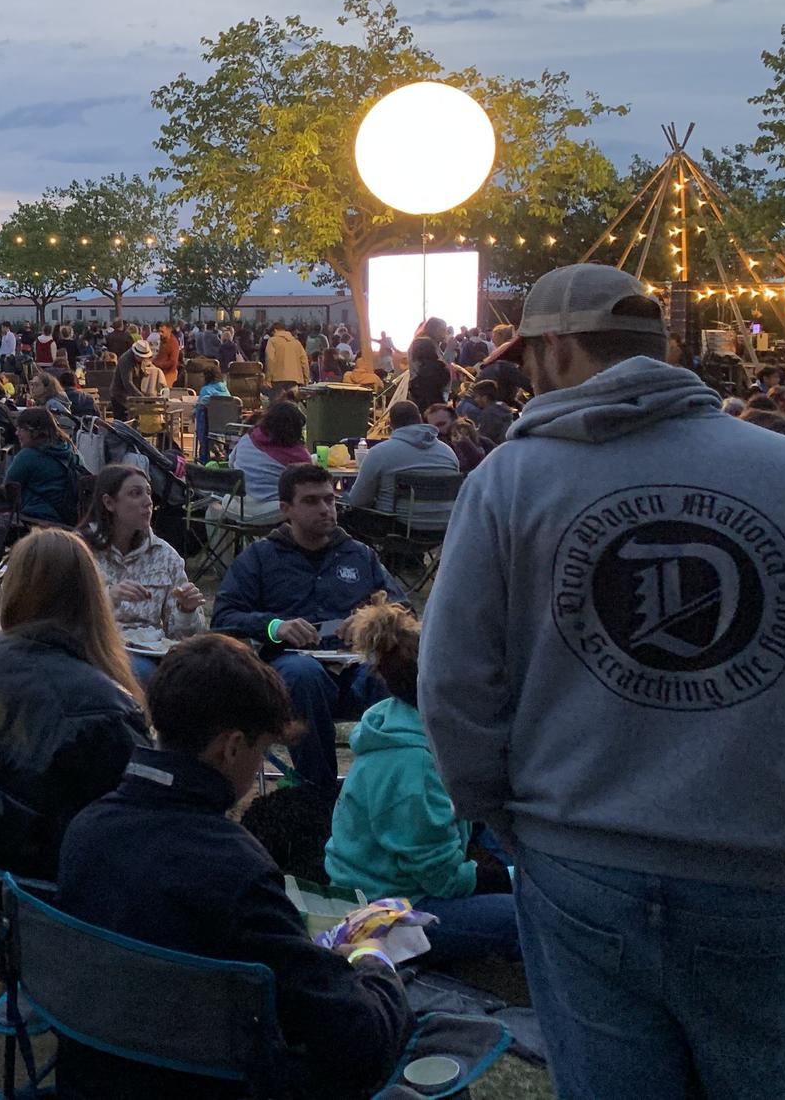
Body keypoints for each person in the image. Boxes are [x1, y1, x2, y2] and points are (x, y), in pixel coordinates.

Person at [423, 263, 785, 1099]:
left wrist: (501, 816)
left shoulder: (510, 481)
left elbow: (455, 685)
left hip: (578, 855)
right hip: (763, 859)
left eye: (529, 355)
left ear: (559, 349)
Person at [58, 634, 411, 1098]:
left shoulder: (85, 830)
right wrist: (374, 962)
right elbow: (355, 1037)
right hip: (210, 1080)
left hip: (95, 1074)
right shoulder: (233, 868)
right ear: (232, 747)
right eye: (263, 749)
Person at [0, 529, 149, 878]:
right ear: (90, 597)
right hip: (50, 897)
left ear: (14, 589)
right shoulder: (105, 711)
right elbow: (134, 833)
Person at [325, 600, 518, 965]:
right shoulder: (414, 766)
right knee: (528, 917)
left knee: (499, 825)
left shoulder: (397, 719)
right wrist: (509, 878)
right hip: (387, 913)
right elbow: (441, 881)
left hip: (390, 883)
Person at [212, 463, 403, 786]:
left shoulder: (359, 555)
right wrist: (274, 626)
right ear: (286, 509)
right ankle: (317, 793)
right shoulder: (261, 558)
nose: (325, 509)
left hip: (354, 664)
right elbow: (224, 617)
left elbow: (403, 609)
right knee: (304, 676)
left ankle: (386, 787)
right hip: (290, 669)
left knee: (391, 672)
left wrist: (370, 619)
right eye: (312, 501)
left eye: (330, 500)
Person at [78, 465, 205, 645]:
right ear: (109, 503)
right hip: (97, 647)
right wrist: (107, 598)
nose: (148, 501)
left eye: (148, 492)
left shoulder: (165, 556)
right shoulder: (80, 550)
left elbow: (182, 638)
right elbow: (62, 618)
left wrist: (186, 611)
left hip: (149, 650)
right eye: (136, 493)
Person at [341, 400, 460, 530]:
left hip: (396, 528)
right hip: (444, 529)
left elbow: (358, 501)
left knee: (344, 508)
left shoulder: (380, 453)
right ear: (420, 419)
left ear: (390, 425)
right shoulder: (448, 453)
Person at [227, 399, 314, 525]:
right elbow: (308, 484)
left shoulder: (247, 439)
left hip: (238, 506)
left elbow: (231, 464)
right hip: (272, 510)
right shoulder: (299, 455)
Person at [5, 406, 86, 525]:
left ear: (35, 431)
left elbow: (8, 489)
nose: (17, 433)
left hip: (35, 520)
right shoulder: (71, 451)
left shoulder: (28, 456)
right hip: (70, 520)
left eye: (21, 429)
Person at [264, 322, 310, 393]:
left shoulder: (272, 341)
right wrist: (306, 380)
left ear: (275, 330)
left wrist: (268, 379)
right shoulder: (297, 343)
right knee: (291, 402)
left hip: (277, 379)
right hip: (295, 379)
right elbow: (304, 362)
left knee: (278, 403)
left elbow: (270, 360)